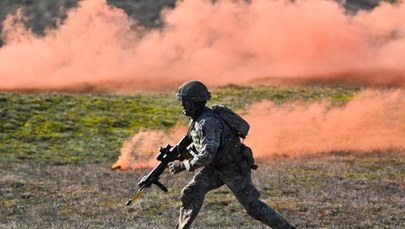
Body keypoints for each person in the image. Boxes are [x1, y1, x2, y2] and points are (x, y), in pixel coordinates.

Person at [168, 80, 296, 229]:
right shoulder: (197, 120)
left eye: (186, 102)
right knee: (191, 192)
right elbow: (202, 144)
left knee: (253, 207)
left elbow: (207, 154)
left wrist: (183, 165)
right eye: (181, 101)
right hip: (216, 167)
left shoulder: (207, 122)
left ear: (196, 102)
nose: (182, 105)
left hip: (234, 168)